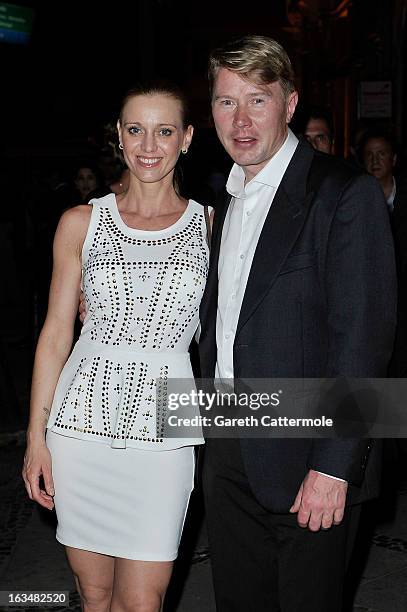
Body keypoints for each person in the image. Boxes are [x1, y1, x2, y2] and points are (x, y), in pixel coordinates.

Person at [198, 35, 396, 611]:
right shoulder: (223, 198)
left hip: (309, 454)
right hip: (228, 449)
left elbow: (365, 341)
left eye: (257, 100)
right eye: (224, 101)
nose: (239, 120)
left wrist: (335, 466)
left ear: (289, 103)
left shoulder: (342, 194)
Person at [22, 81, 208, 612]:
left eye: (164, 131)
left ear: (187, 138)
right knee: (95, 595)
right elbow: (57, 333)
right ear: (120, 140)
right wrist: (36, 438)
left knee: (144, 600)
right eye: (136, 130)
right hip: (79, 428)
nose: (149, 145)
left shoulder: (213, 226)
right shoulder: (80, 223)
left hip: (166, 433)